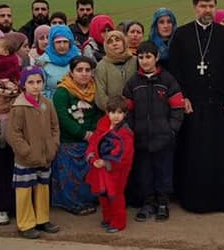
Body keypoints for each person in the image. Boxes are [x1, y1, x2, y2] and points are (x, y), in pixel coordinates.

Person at [168, 0, 224, 213]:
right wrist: (183, 97)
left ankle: (222, 201)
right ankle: (192, 200)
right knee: (193, 152)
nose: (207, 10)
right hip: (192, 104)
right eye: (202, 6)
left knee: (220, 152)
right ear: (194, 8)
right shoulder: (181, 34)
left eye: (211, 6)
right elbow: (175, 69)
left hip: (218, 103)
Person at [123, 41, 185, 222]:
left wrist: (171, 130)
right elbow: (127, 110)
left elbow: (178, 108)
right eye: (141, 57)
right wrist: (131, 131)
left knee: (163, 171)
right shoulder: (133, 83)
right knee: (144, 172)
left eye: (148, 57)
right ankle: (148, 203)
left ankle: (163, 203)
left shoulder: (168, 80)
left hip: (164, 138)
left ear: (156, 57)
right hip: (141, 139)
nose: (144, 61)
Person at [7, 67, 61, 239]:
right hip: (26, 158)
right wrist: (25, 151)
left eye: (39, 82)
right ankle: (25, 223)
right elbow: (13, 134)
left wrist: (53, 145)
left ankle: (42, 219)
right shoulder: (19, 107)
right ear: (23, 85)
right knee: (24, 190)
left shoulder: (47, 103)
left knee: (43, 188)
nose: (36, 86)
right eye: (31, 82)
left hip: (45, 155)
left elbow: (55, 127)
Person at [51, 56, 102, 215]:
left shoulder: (95, 89)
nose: (84, 74)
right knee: (70, 174)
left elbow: (98, 113)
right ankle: (71, 203)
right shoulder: (62, 91)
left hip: (91, 138)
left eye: (87, 70)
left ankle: (89, 199)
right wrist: (82, 133)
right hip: (69, 140)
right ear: (71, 73)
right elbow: (62, 118)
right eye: (79, 70)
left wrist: (93, 132)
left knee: (90, 170)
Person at [86, 95, 135, 233]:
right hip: (101, 169)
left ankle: (118, 222)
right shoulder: (101, 126)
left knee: (115, 195)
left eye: (120, 112)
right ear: (107, 112)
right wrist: (92, 159)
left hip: (117, 171)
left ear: (125, 114)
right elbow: (93, 144)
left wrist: (107, 163)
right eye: (113, 112)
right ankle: (108, 218)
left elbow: (125, 155)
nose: (116, 116)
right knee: (103, 195)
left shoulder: (125, 132)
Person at [94, 30, 137, 112]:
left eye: (118, 40)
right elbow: (100, 95)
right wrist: (115, 111)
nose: (114, 44)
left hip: (137, 111)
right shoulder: (102, 66)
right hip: (113, 114)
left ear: (124, 42)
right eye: (110, 42)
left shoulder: (135, 61)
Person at [35, 25, 80, 99]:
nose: (62, 45)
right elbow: (40, 90)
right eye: (58, 42)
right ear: (52, 43)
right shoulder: (42, 61)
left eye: (65, 41)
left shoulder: (78, 58)